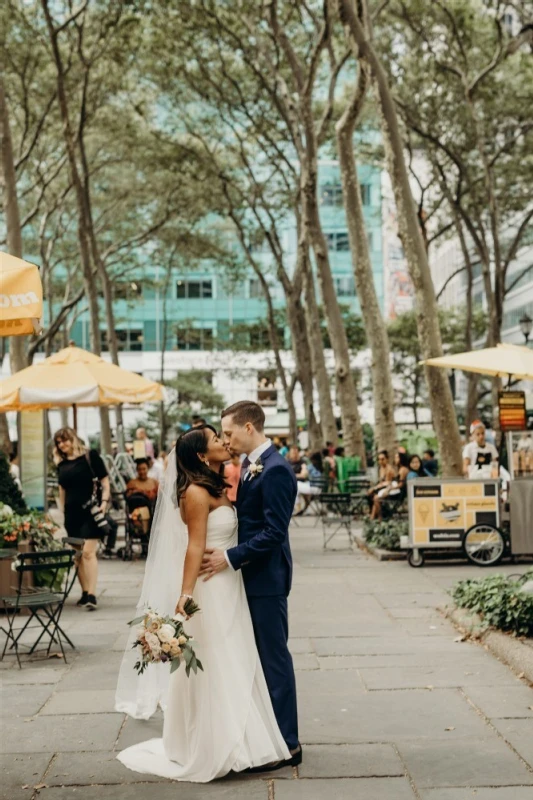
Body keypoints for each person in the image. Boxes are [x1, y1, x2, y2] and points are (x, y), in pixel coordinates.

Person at [116, 421, 294, 781]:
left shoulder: (219, 482)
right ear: (201, 454)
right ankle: (224, 744)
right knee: (222, 662)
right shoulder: (195, 492)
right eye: (216, 439)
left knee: (238, 659)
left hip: (230, 583)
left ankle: (246, 737)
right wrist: (184, 596)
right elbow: (194, 546)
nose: (223, 441)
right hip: (212, 587)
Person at [54, 427, 111, 611]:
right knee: (78, 556)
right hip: (72, 515)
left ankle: (92, 595)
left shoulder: (90, 456)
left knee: (88, 552)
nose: (62, 444)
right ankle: (85, 592)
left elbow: (105, 481)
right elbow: (62, 490)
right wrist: (63, 511)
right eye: (59, 442)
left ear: (73, 438)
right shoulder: (61, 464)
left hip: (91, 511)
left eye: (64, 440)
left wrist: (104, 502)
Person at [370, 451, 409, 520]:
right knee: (375, 497)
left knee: (376, 498)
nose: (395, 459)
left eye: (397, 457)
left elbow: (401, 484)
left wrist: (389, 489)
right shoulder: (399, 469)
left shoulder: (403, 470)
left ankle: (379, 518)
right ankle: (374, 517)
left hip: (398, 493)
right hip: (394, 489)